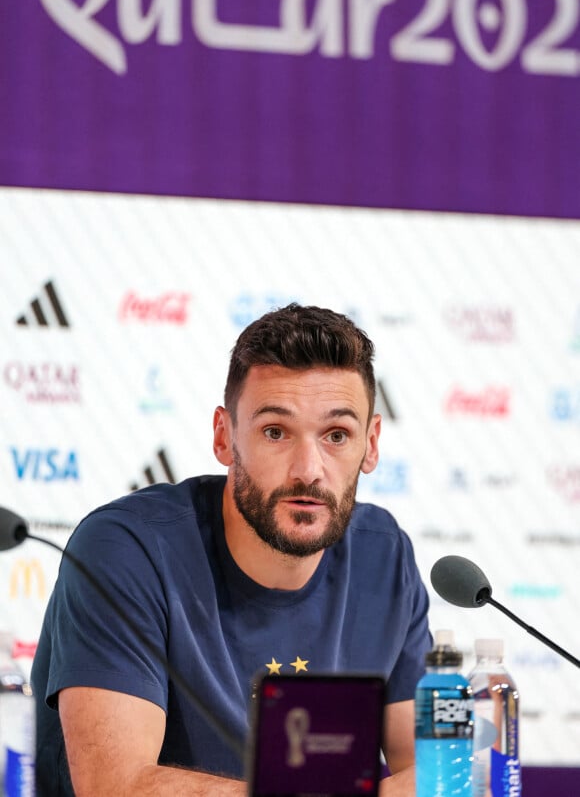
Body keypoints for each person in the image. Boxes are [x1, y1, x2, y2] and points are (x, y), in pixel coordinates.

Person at [31, 303, 431, 796]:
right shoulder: (125, 549)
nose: (308, 468)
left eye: (336, 435)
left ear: (370, 445)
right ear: (224, 437)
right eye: (275, 432)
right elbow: (117, 787)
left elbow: (433, 774)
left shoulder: (385, 557)